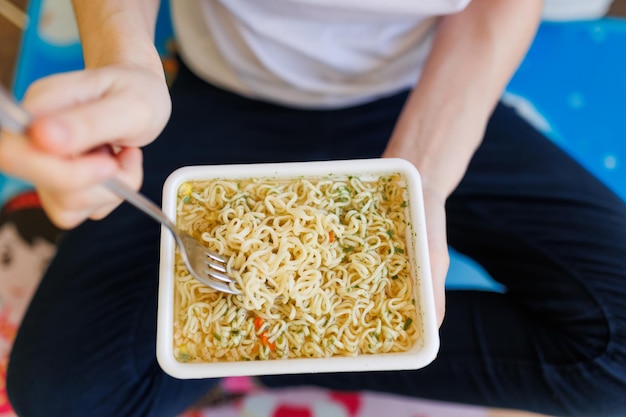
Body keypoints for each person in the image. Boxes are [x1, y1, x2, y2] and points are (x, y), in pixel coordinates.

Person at [0, 0, 625, 416]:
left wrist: (418, 182)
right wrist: (126, 63)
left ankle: (261, 363)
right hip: (219, 92)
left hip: (423, 93)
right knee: (63, 398)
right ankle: (240, 359)